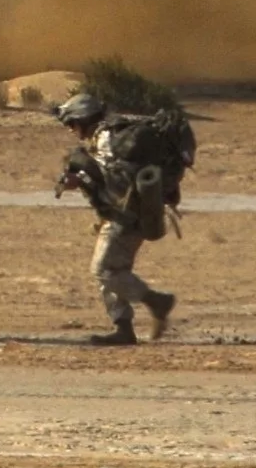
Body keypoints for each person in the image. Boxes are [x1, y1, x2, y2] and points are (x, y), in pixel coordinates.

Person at [54, 92, 177, 346]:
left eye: (71, 124)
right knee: (112, 270)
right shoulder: (107, 136)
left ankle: (156, 302)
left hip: (126, 215)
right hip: (125, 212)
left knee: (103, 270)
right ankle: (123, 329)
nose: (71, 130)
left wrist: (82, 179)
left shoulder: (108, 139)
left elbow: (116, 180)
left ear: (82, 119)